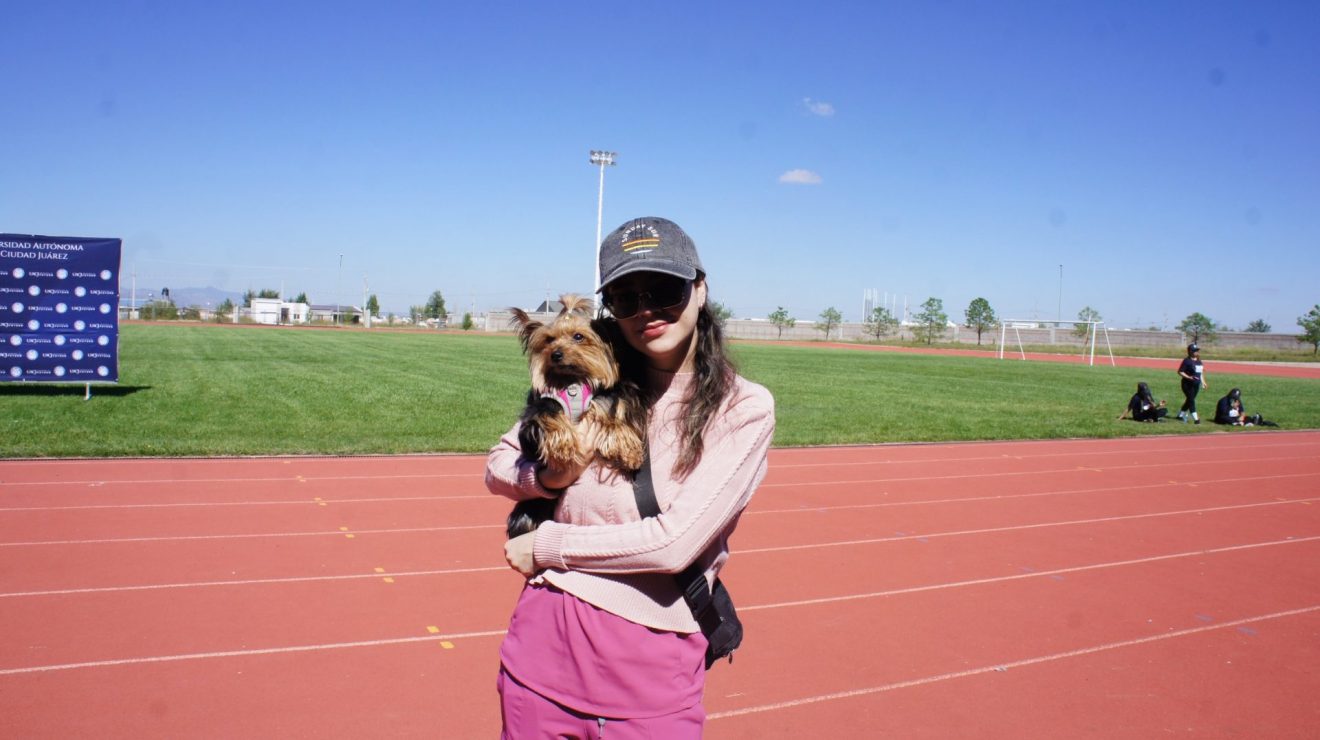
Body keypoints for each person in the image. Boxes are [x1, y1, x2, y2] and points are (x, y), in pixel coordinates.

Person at [486, 216, 775, 738]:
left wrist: (546, 545)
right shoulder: (589, 381)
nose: (645, 310)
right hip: (538, 661)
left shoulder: (742, 408)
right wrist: (551, 477)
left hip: (647, 678)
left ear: (700, 289)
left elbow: (674, 544)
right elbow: (498, 467)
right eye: (624, 298)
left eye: (663, 290)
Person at [1176, 343, 1207, 424]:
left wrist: (1203, 382)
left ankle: (1180, 415)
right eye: (1195, 351)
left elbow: (1200, 373)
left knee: (1189, 400)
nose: (1197, 352)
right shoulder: (1187, 361)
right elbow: (1180, 372)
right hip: (1187, 385)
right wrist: (1189, 377)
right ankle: (1196, 419)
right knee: (1191, 401)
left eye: (1197, 350)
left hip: (1196, 385)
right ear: (1190, 352)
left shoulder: (1199, 361)